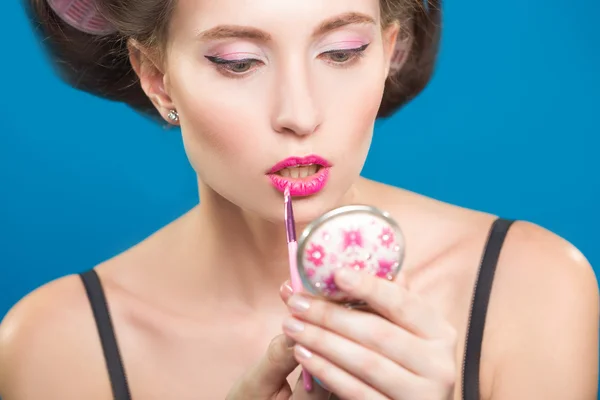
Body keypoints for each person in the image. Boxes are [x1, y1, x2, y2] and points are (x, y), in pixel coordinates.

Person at [0, 0, 598, 398]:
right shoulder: (57, 343)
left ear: (390, 52)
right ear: (157, 77)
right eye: (238, 62)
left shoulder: (530, 287)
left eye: (340, 51)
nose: (299, 114)